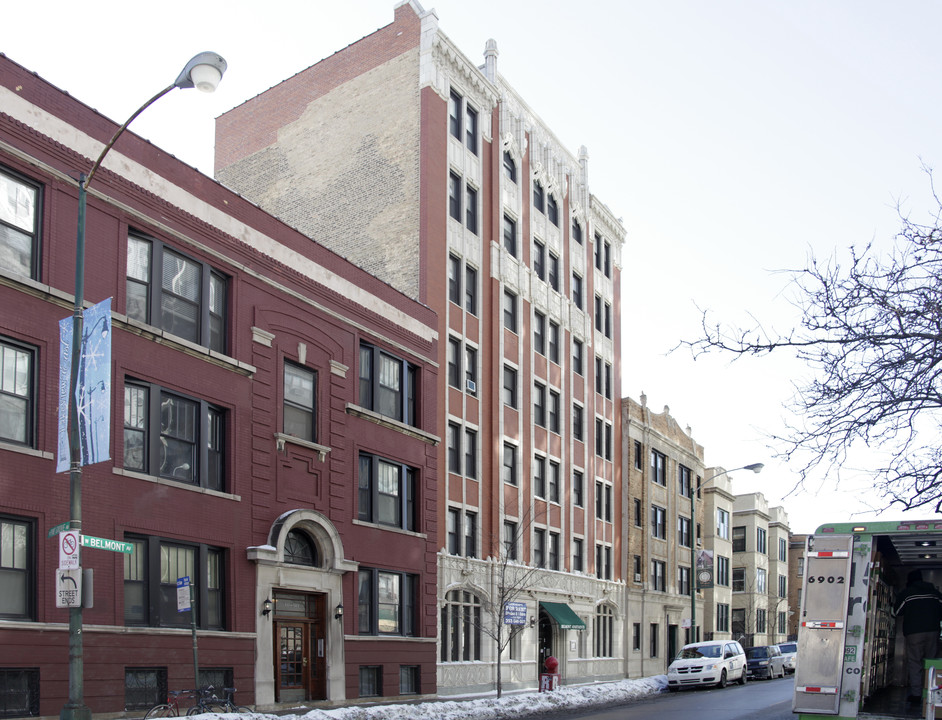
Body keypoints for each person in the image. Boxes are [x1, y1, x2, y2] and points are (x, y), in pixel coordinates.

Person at [894, 569, 942, 703]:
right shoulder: (935, 593)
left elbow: (897, 612)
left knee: (915, 663)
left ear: (909, 581)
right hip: (933, 631)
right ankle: (931, 694)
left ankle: (916, 695)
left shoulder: (907, 594)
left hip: (914, 633)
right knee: (931, 663)